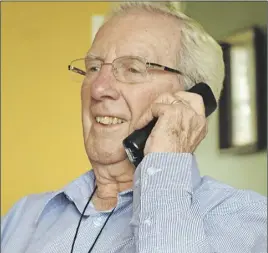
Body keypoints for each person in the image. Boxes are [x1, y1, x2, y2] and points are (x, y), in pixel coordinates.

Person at [1, 2, 267, 253]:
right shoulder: (24, 215)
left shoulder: (244, 218)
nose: (99, 88)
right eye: (93, 67)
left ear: (189, 100)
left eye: (132, 69)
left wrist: (165, 161)